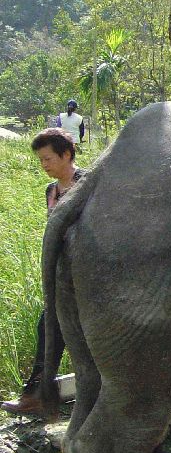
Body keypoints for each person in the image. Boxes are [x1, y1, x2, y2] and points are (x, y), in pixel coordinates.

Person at [1, 128, 83, 415]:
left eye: (48, 159)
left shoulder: (86, 184)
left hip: (88, 277)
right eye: (41, 160)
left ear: (67, 154)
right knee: (47, 328)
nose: (44, 165)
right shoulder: (51, 191)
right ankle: (37, 394)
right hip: (62, 277)